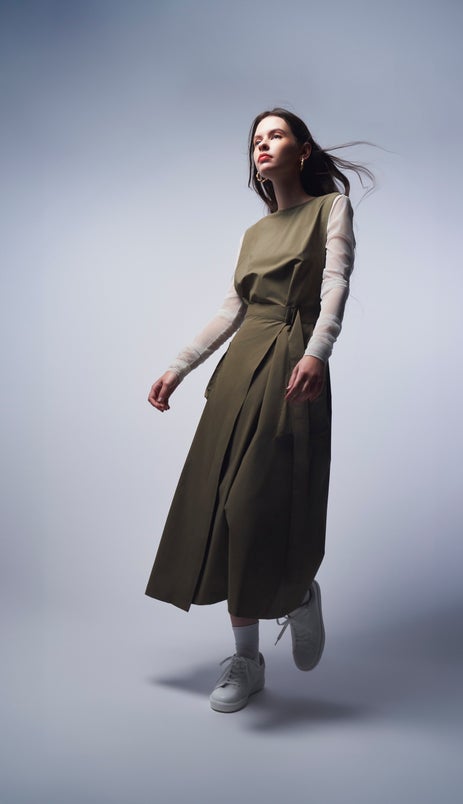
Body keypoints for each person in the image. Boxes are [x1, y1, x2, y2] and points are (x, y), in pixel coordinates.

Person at [146, 108, 374, 713]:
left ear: (303, 150)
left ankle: (296, 593)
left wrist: (319, 351)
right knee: (220, 512)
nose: (263, 146)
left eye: (275, 135)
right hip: (238, 371)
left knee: (254, 505)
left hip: (292, 364)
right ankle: (246, 659)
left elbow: (336, 284)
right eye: (255, 141)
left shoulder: (331, 209)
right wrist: (178, 366)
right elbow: (233, 310)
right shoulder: (253, 233)